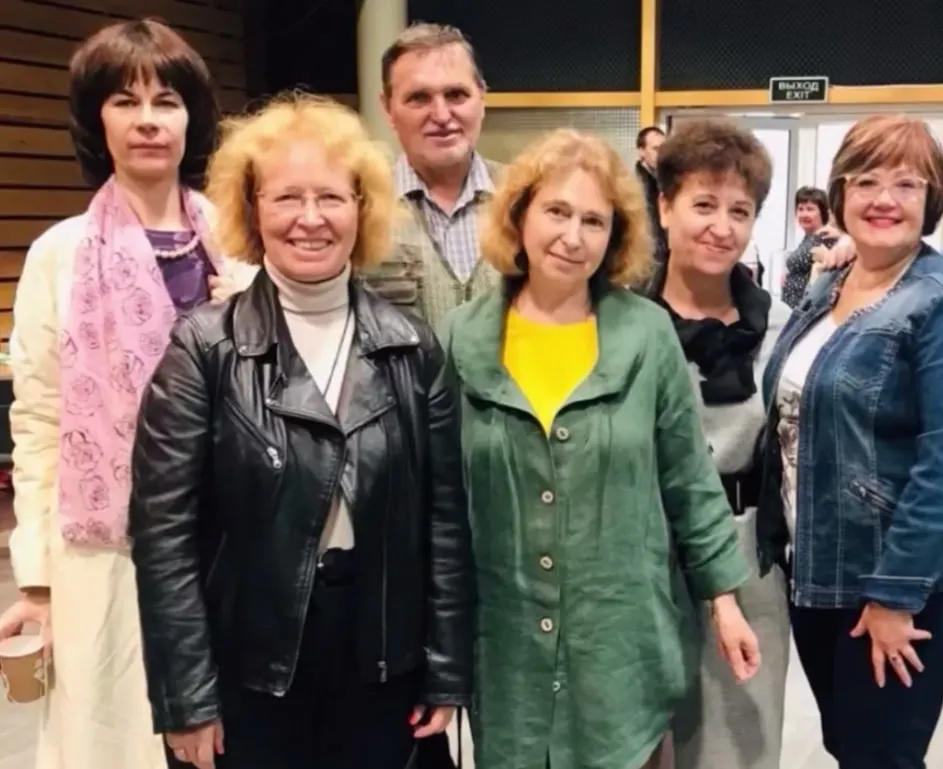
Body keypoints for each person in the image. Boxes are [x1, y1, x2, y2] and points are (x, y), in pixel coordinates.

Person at [126, 94, 475, 769]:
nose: (310, 218)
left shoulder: (410, 346)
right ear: (253, 208)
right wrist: (186, 698)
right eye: (287, 197)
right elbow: (163, 537)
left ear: (361, 209)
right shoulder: (204, 348)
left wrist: (446, 668)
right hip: (248, 666)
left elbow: (444, 523)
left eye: (331, 197)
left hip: (384, 660)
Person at [442, 128, 760, 769]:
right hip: (506, 648)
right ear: (520, 216)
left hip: (619, 643)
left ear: (615, 235)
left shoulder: (646, 334)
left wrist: (723, 600)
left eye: (594, 220)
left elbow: (688, 476)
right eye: (557, 212)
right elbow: (442, 503)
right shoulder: (460, 338)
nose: (573, 236)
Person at [0, 19, 254, 769]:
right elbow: (38, 419)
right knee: (120, 737)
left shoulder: (239, 242)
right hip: (107, 553)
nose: (148, 120)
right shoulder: (59, 254)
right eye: (125, 101)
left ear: (192, 118)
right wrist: (37, 583)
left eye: (167, 101)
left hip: (234, 540)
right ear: (96, 119)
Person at [758, 114, 943, 768]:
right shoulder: (832, 282)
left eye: (906, 184)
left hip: (900, 578)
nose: (883, 199)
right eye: (865, 181)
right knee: (850, 744)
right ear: (840, 194)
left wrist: (896, 593)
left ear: (931, 199)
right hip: (820, 563)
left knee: (881, 755)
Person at [646, 119, 792, 769]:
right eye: (703, 204)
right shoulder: (622, 321)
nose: (721, 226)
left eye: (740, 210)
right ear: (664, 206)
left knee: (739, 743)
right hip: (643, 554)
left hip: (749, 552)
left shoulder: (783, 326)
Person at [366, 22, 506, 330]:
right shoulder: (361, 206)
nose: (442, 116)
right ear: (388, 108)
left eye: (456, 95)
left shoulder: (528, 198)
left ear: (482, 98)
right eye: (419, 98)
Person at [636, 125, 668, 260]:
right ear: (641, 151)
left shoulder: (662, 181)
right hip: (645, 258)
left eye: (663, 149)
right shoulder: (635, 186)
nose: (660, 155)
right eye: (655, 149)